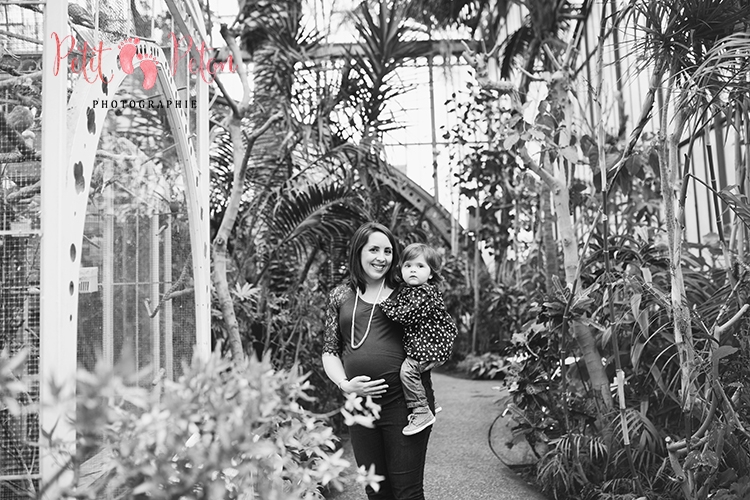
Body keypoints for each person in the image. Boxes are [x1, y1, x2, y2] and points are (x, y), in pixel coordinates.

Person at [322, 222, 434, 500]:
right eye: (374, 249)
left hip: (404, 405)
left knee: (407, 493)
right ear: (358, 252)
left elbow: (437, 330)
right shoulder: (341, 295)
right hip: (360, 408)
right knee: (376, 491)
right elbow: (329, 350)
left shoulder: (407, 292)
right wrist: (345, 385)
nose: (381, 258)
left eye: (388, 251)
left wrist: (431, 357)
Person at [379, 243, 458, 436]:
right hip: (427, 345)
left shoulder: (424, 293)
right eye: (408, 266)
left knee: (408, 371)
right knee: (416, 372)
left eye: (420, 266)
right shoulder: (410, 290)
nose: (413, 269)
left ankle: (421, 410)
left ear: (431, 273)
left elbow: (406, 315)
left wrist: (386, 305)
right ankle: (431, 401)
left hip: (432, 347)